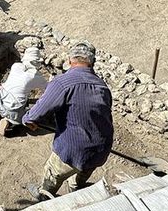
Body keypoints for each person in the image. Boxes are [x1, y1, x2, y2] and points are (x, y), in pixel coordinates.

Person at [23, 41, 113, 200]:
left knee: (52, 173)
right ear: (91, 63)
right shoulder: (102, 86)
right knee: (81, 174)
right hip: (101, 148)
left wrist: (26, 119)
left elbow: (34, 115)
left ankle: (44, 195)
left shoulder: (62, 83)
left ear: (70, 60)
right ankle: (76, 189)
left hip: (73, 149)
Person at [0, 47, 49, 136]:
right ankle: (9, 122)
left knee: (12, 94)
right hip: (13, 109)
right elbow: (48, 91)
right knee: (24, 117)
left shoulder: (16, 66)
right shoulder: (37, 77)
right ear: (38, 62)